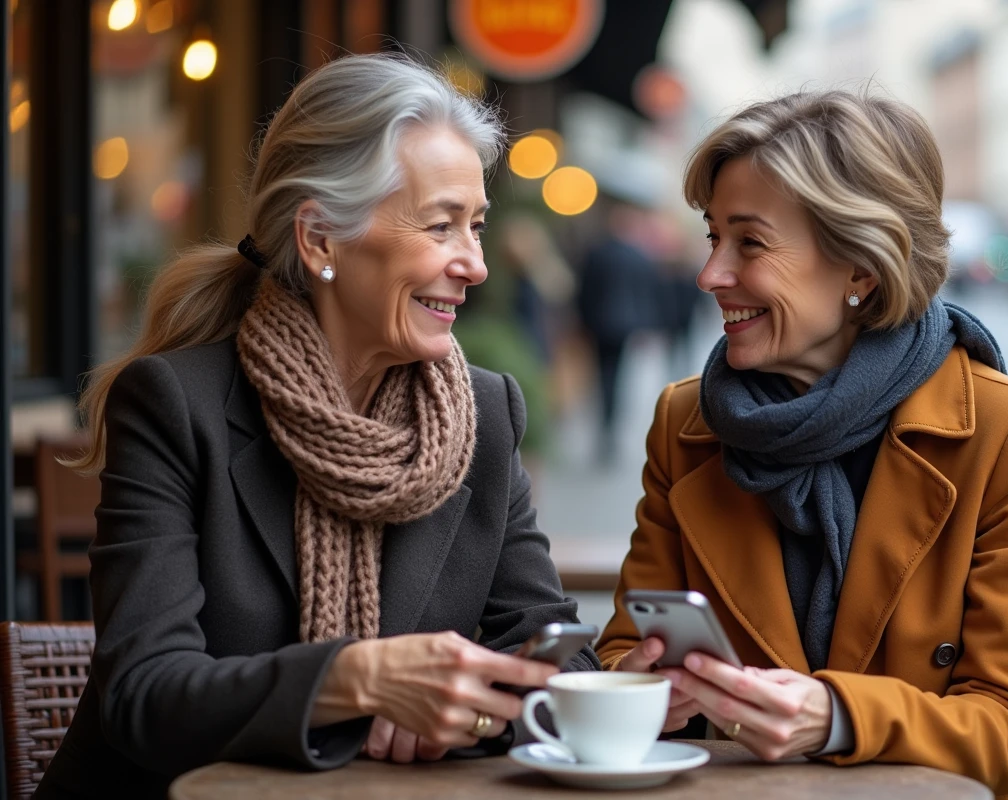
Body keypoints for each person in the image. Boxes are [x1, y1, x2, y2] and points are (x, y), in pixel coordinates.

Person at [37, 55, 598, 799]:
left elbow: (561, 662)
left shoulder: (485, 415)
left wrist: (466, 714)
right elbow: (146, 696)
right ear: (321, 239)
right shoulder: (175, 405)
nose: (475, 264)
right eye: (441, 226)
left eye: (477, 226)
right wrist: (357, 681)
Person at [596, 91, 1008, 800]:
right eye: (712, 238)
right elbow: (623, 647)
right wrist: (642, 689)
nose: (710, 275)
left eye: (750, 243)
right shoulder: (687, 423)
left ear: (862, 268)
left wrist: (836, 718)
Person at [577, 201, 665, 465]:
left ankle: (606, 422)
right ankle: (611, 424)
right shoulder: (639, 256)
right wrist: (646, 325)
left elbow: (585, 291)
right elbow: (648, 294)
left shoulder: (598, 252)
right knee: (618, 375)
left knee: (603, 374)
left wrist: (582, 322)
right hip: (626, 325)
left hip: (600, 324)